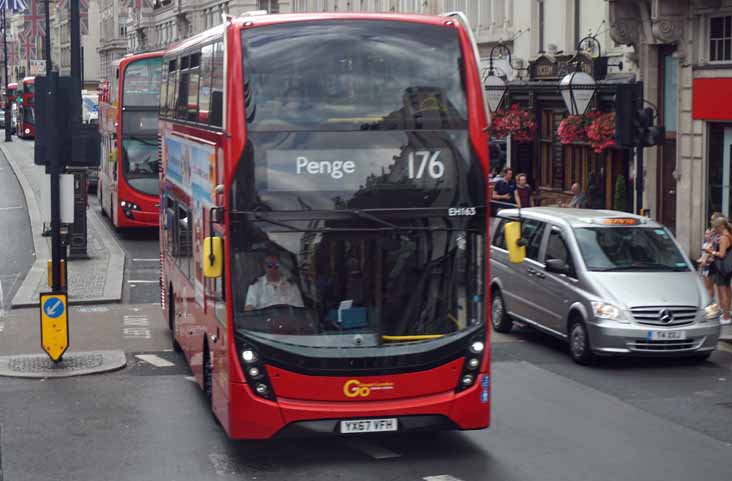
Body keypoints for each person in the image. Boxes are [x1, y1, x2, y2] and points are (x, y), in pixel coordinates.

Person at [706, 216, 732, 325]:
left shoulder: (724, 238)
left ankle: (726, 317)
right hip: (726, 267)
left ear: (721, 227)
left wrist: (711, 252)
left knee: (722, 292)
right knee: (725, 290)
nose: (715, 230)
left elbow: (721, 255)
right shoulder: (728, 235)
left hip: (722, 268)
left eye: (716, 228)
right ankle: (726, 314)